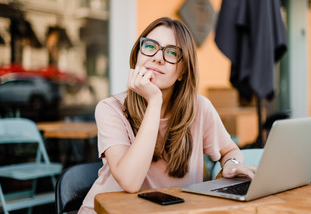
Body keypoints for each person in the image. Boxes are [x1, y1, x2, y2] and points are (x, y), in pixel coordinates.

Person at [78, 17, 256, 213]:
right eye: (150, 46)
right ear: (138, 54)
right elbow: (130, 182)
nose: (157, 57)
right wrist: (154, 101)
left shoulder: (199, 108)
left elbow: (230, 150)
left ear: (182, 71)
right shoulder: (110, 109)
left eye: (171, 52)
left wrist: (232, 164)